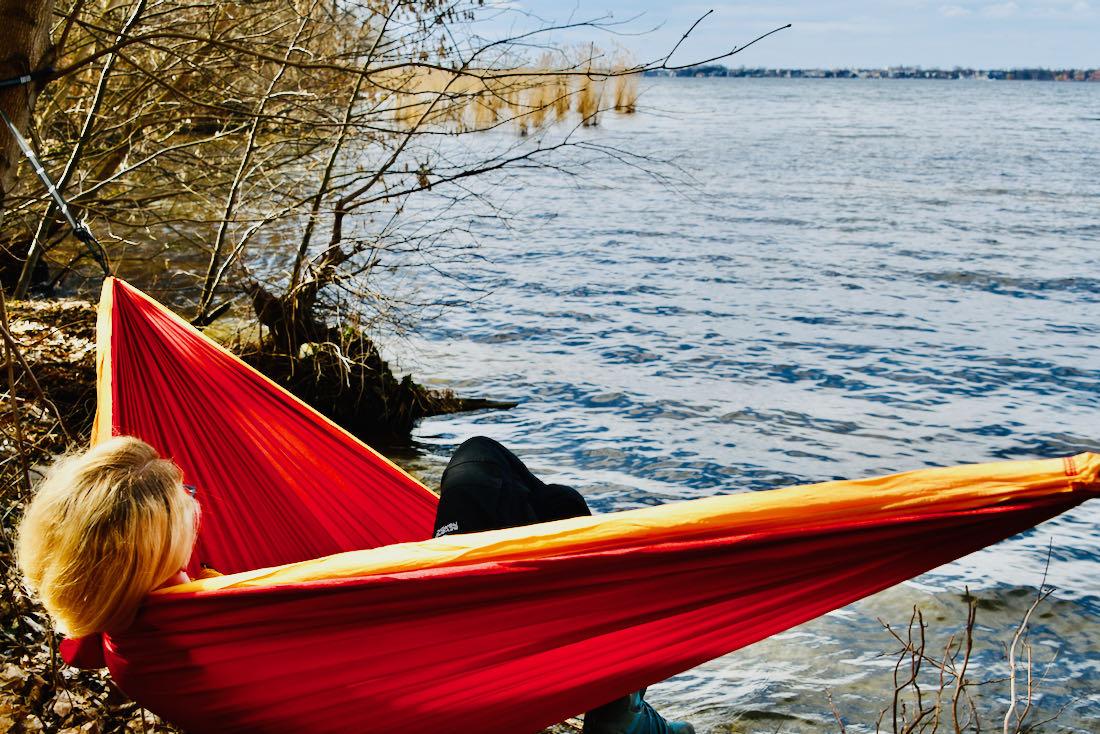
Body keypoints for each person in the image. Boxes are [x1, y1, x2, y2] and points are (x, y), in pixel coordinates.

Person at [18, 435, 694, 734]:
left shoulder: (127, 638)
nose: (193, 499)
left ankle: (618, 693)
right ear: (148, 549)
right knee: (497, 477)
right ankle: (619, 702)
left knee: (534, 499)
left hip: (370, 667)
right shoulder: (200, 612)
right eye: (181, 498)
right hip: (426, 654)